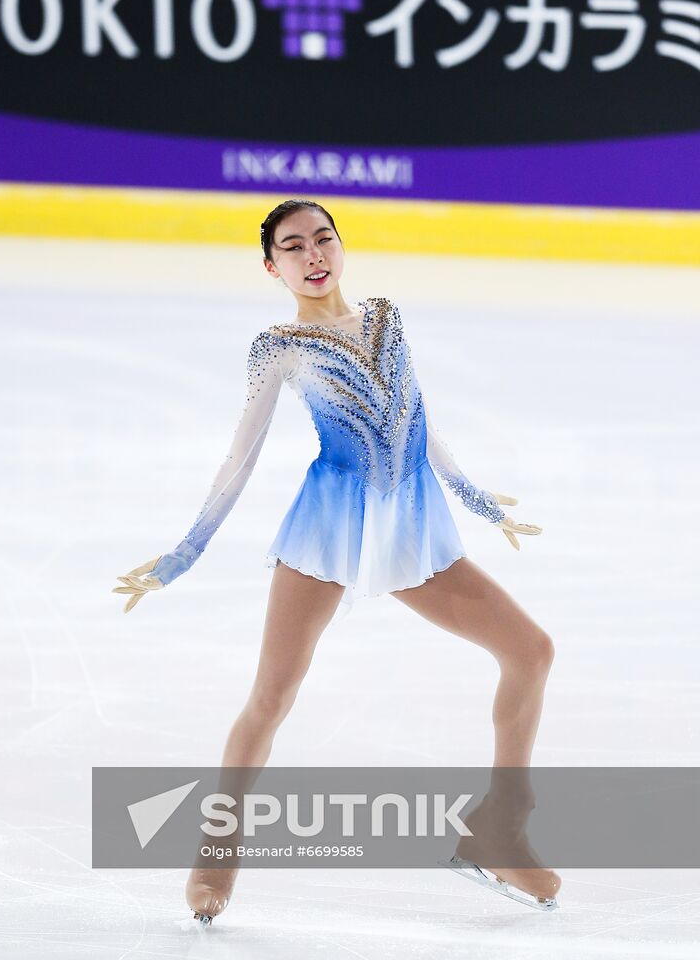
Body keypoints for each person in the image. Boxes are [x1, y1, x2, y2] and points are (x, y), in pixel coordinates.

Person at [113, 198, 560, 922]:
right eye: (294, 246)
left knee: (531, 651)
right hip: (328, 527)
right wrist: (184, 553)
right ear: (272, 266)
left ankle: (499, 826)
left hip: (410, 522)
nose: (313, 253)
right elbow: (241, 457)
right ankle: (214, 859)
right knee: (272, 699)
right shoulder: (278, 346)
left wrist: (477, 499)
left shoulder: (387, 316)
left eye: (323, 237)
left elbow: (416, 417)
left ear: (341, 245)